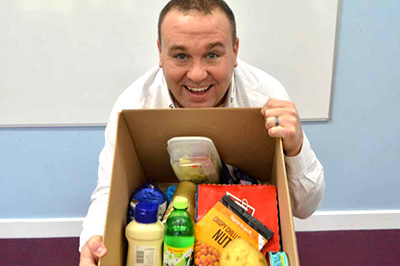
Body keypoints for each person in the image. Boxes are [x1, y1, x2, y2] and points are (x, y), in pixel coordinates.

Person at [79, 0, 325, 265]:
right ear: (160, 53)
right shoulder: (133, 105)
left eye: (212, 55)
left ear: (235, 51)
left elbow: (306, 207)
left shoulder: (267, 98)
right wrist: (93, 240)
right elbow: (108, 192)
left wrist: (295, 147)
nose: (197, 75)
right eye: (181, 56)